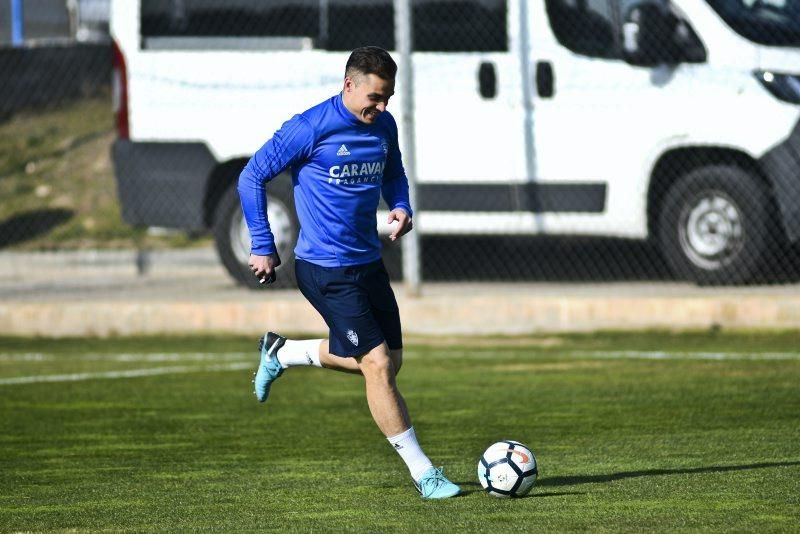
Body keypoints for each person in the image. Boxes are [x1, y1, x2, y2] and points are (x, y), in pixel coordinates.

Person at [237, 46, 460, 500]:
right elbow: (251, 176)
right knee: (377, 365)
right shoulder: (309, 127)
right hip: (323, 268)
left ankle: (282, 354)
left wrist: (401, 205)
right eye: (374, 98)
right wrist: (262, 244)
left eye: (387, 99)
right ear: (349, 85)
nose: (380, 109)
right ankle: (425, 474)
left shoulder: (384, 125)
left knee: (390, 364)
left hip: (368, 264)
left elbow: (394, 173)